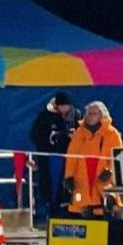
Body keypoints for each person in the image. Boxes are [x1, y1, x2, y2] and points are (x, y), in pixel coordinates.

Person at [63, 101, 123, 216]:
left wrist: (110, 170)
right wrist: (68, 176)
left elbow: (118, 157)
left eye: (93, 114)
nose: (90, 116)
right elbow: (71, 157)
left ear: (102, 115)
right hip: (82, 179)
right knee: (82, 209)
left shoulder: (112, 134)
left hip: (103, 180)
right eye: (88, 113)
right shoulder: (78, 134)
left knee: (106, 210)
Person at [28, 91, 81, 221]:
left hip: (70, 156)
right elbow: (36, 136)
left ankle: (70, 209)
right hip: (52, 156)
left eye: (66, 106)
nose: (64, 109)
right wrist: (57, 137)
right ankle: (51, 210)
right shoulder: (45, 117)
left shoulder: (77, 115)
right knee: (51, 184)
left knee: (70, 184)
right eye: (61, 106)